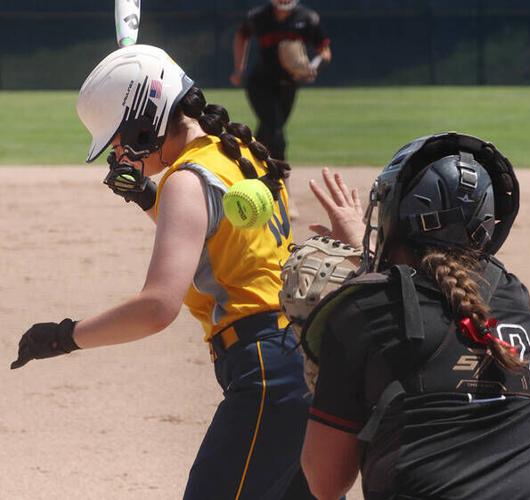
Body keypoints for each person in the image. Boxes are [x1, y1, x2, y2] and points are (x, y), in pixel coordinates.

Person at [11, 44, 317, 499]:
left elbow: (157, 307)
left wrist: (65, 336)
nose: (118, 152)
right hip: (301, 358)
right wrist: (147, 197)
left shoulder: (187, 181)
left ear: (142, 124)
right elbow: (220, 237)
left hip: (265, 369)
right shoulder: (238, 152)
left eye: (118, 138)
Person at [297, 133, 530, 499]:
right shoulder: (512, 296)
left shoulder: (363, 309)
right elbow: (440, 305)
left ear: (396, 214)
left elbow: (326, 482)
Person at [231, 0, 332, 217]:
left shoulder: (306, 18)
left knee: (266, 134)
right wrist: (239, 68)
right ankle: (285, 194)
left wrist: (312, 67)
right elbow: (241, 35)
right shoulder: (259, 16)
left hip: (288, 86)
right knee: (277, 134)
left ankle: (245, 173)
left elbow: (325, 50)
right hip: (260, 84)